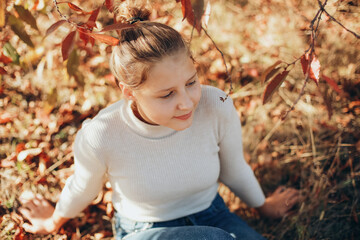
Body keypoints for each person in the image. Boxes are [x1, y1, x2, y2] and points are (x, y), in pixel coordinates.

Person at [18, 1, 299, 239]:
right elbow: (84, 187)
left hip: (214, 215)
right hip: (145, 230)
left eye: (191, 82)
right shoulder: (103, 134)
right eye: (166, 95)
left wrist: (264, 206)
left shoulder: (216, 105)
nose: (187, 103)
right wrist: (53, 221)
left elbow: (233, 166)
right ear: (129, 93)